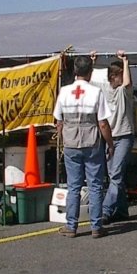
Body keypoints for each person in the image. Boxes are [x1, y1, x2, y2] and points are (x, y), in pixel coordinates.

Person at [53, 55, 115, 238]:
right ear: (91, 72)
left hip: (71, 142)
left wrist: (62, 140)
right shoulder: (96, 92)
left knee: (73, 186)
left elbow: (59, 121)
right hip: (91, 141)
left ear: (74, 71)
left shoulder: (64, 92)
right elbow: (103, 123)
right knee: (95, 185)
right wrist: (110, 144)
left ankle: (71, 226)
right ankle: (96, 226)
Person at [93, 50, 135, 224]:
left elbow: (128, 82)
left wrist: (126, 62)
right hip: (110, 137)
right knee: (114, 175)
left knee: (115, 174)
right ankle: (122, 211)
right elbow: (88, 81)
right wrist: (93, 62)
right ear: (112, 76)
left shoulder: (123, 92)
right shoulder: (103, 89)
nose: (120, 79)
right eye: (117, 75)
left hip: (124, 135)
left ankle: (106, 210)